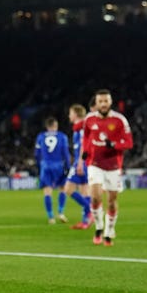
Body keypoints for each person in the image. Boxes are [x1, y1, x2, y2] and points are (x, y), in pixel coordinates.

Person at [82, 89, 133, 246]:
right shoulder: (89, 119)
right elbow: (85, 136)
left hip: (113, 166)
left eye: (106, 101)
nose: (103, 104)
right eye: (100, 102)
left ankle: (109, 231)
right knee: (95, 196)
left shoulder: (119, 120)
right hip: (94, 164)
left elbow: (129, 143)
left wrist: (115, 145)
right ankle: (98, 227)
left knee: (112, 201)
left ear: (110, 102)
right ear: (96, 104)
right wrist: (85, 151)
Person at [34, 116, 71, 224]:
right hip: (60, 165)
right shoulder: (62, 136)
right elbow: (66, 153)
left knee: (47, 192)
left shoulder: (40, 137)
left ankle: (51, 217)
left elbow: (36, 154)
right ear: (56, 126)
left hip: (46, 165)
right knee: (63, 188)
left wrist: (40, 164)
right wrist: (67, 167)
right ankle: (61, 212)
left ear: (47, 127)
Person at [64, 104, 93, 229]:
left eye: (70, 113)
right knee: (84, 191)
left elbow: (84, 145)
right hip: (85, 161)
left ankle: (91, 209)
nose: (69, 116)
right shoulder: (79, 127)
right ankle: (85, 221)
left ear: (75, 114)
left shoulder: (82, 127)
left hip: (82, 162)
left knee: (68, 189)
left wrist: (80, 162)